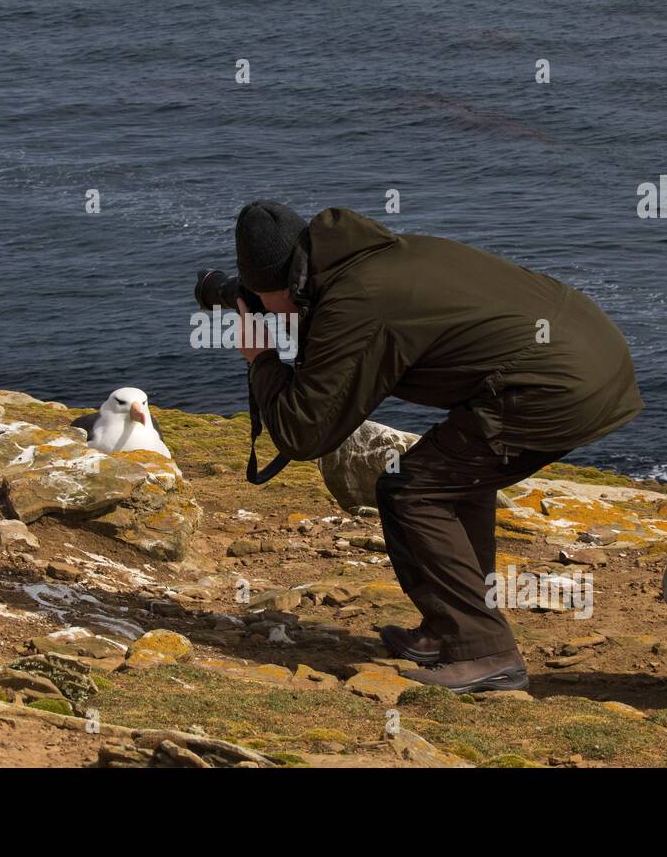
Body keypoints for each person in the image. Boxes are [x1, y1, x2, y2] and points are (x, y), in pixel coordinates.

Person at [229, 200, 643, 693]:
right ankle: (452, 629)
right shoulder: (376, 261)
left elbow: (304, 433)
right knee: (450, 479)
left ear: (277, 285)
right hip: (590, 359)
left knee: (414, 491)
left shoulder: (356, 301)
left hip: (554, 388)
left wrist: (262, 360)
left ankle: (484, 650)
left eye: (260, 297)